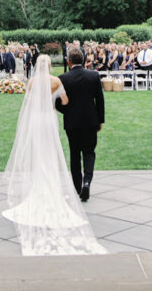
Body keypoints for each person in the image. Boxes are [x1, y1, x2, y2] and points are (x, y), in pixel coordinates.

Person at [2, 54, 105, 256]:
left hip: (37, 121)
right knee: (53, 152)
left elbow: (29, 104)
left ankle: (41, 187)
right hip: (49, 120)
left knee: (42, 154)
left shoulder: (31, 82)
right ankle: (69, 186)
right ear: (49, 65)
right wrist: (55, 100)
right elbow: (65, 101)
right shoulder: (56, 81)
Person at [56, 47, 105, 202]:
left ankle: (77, 188)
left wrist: (68, 112)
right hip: (91, 121)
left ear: (68, 61)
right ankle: (87, 182)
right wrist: (100, 120)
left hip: (72, 123)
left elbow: (58, 103)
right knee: (89, 152)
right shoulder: (94, 75)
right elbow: (100, 100)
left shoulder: (63, 78)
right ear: (83, 60)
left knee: (75, 154)